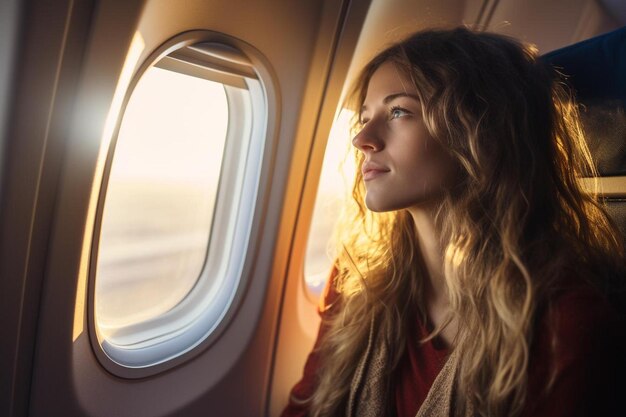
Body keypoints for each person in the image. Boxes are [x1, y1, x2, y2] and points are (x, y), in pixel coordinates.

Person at [281, 27, 626, 417]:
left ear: (479, 133)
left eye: (398, 111)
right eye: (364, 117)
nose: (363, 138)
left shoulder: (563, 325)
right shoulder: (357, 283)